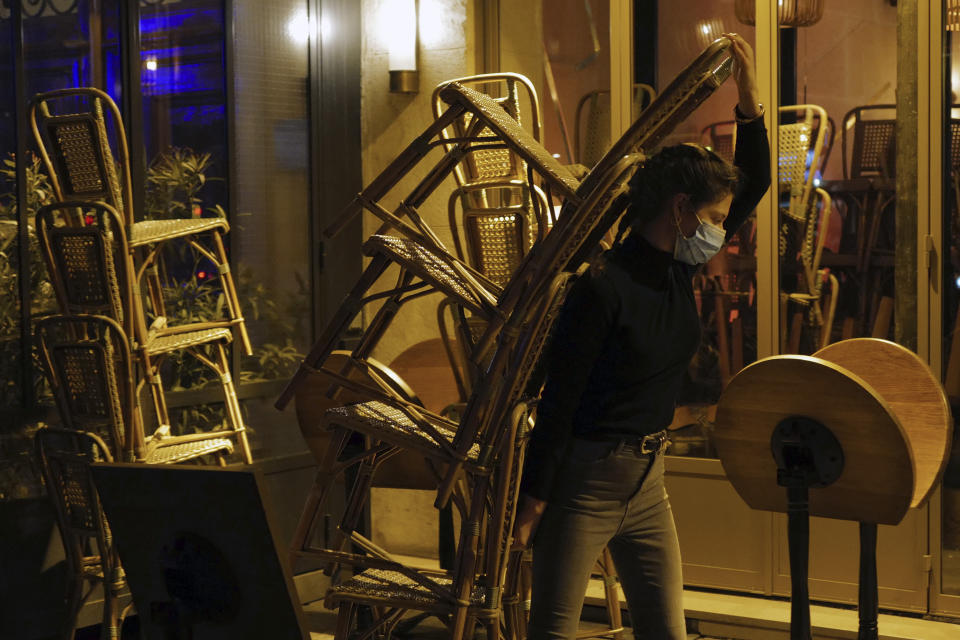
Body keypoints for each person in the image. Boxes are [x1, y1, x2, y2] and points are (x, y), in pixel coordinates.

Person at [512, 33, 771, 640]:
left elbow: (752, 181)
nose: (718, 233)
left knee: (666, 632)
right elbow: (559, 402)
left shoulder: (678, 266)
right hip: (584, 485)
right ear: (679, 209)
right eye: (711, 219)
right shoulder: (601, 288)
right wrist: (534, 501)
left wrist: (749, 97)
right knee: (551, 630)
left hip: (648, 483)